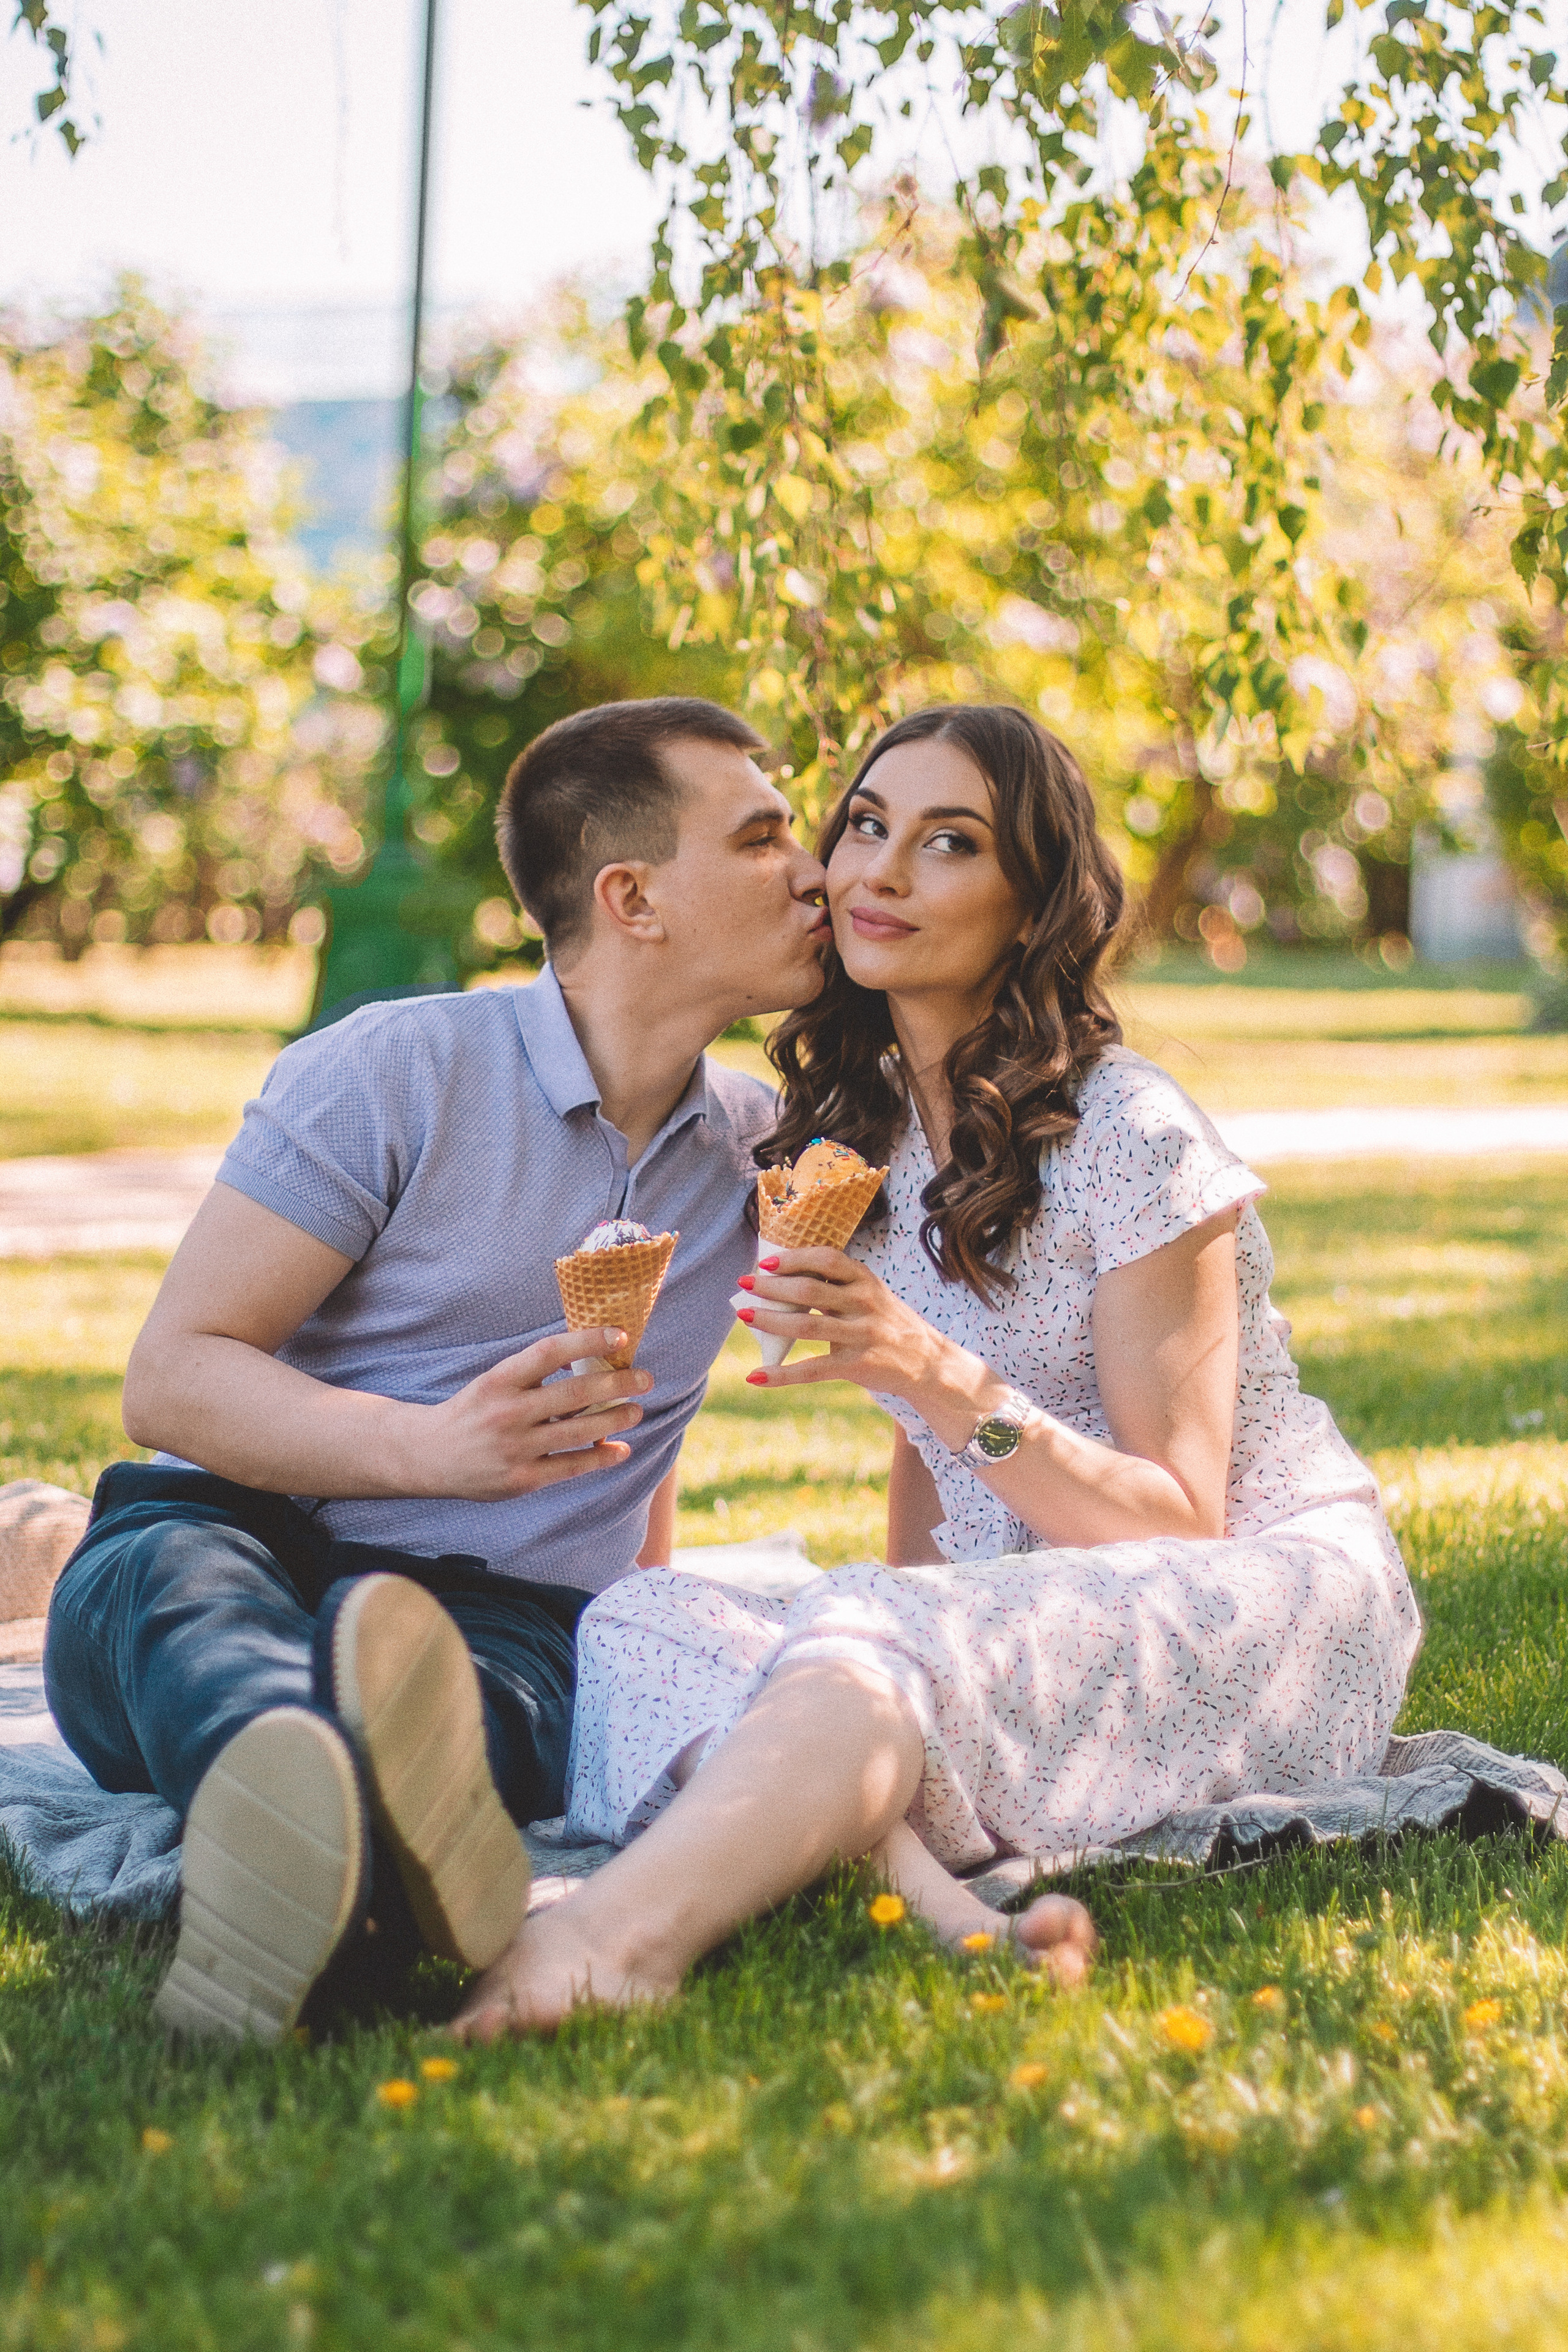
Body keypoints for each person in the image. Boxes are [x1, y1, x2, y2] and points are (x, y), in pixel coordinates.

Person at [454, 703, 1422, 2035]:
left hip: (1250, 1597)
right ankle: (935, 1901)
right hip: (1018, 1595)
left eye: (948, 842)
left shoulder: (1127, 1133)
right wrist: (901, 1577)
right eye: (863, 826)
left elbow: (1176, 1518)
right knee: (637, 1619)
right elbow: (922, 1501)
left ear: (1029, 902)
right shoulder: (857, 1139)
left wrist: (925, 1368)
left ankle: (616, 1938)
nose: (877, 873)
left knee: (857, 1647)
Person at [43, 696, 830, 2041]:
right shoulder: (394, 1072)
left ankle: (318, 1844)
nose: (814, 872)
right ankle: (321, 1808)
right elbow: (172, 1378)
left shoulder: (759, 1161)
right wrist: (428, 1454)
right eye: (763, 839)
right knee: (192, 1606)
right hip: (236, 1527)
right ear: (630, 896)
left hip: (497, 1618)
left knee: (482, 1707)